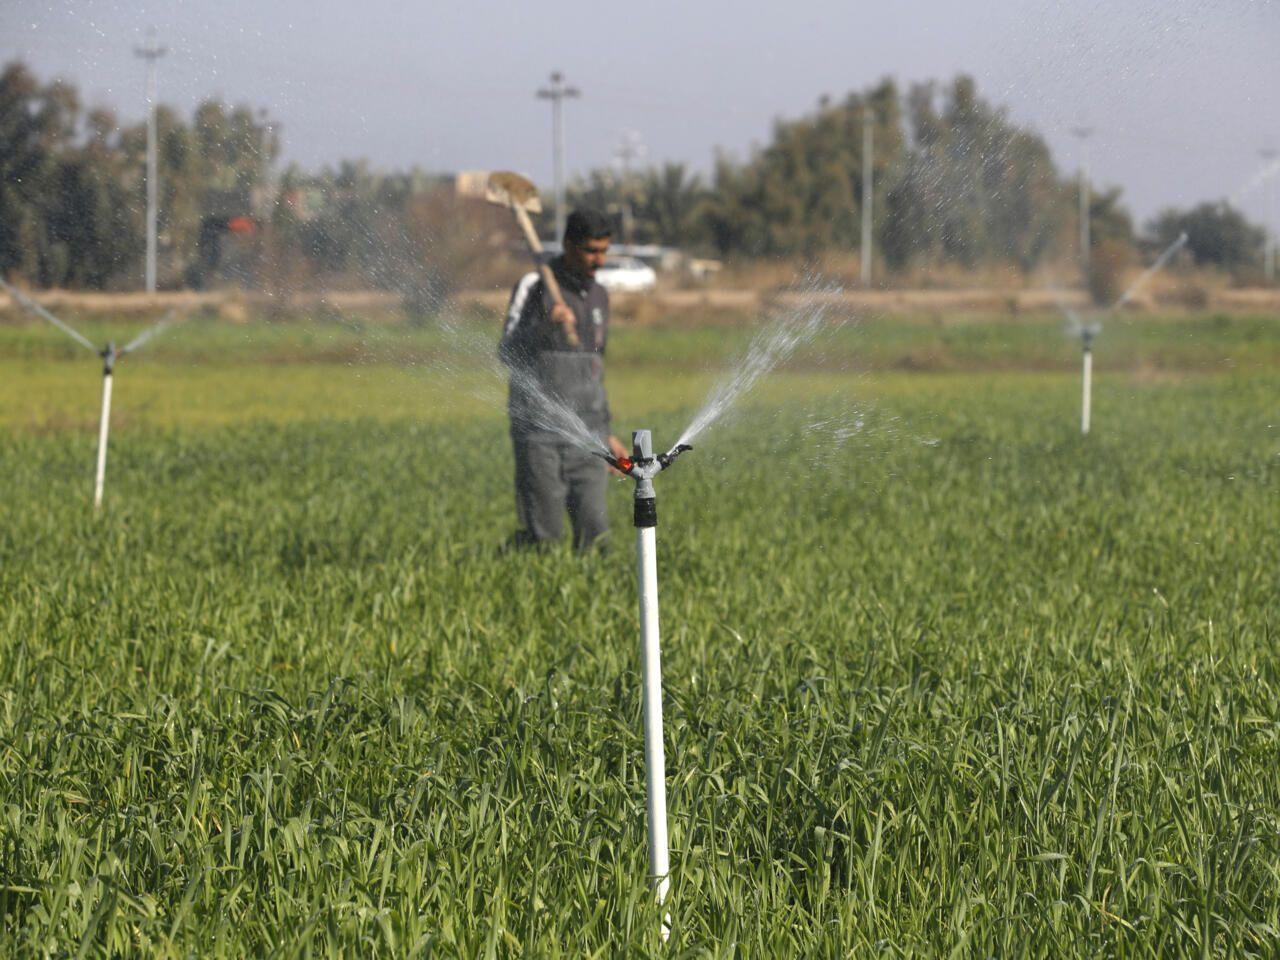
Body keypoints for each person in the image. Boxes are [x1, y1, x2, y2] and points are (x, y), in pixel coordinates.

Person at [498, 209, 629, 550]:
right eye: (590, 250)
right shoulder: (535, 286)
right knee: (546, 538)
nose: (598, 260)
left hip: (589, 436)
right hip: (540, 434)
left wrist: (607, 431)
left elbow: (593, 371)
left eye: (604, 250)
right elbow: (507, 352)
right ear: (569, 245)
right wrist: (545, 327)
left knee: (596, 533)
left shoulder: (600, 295)